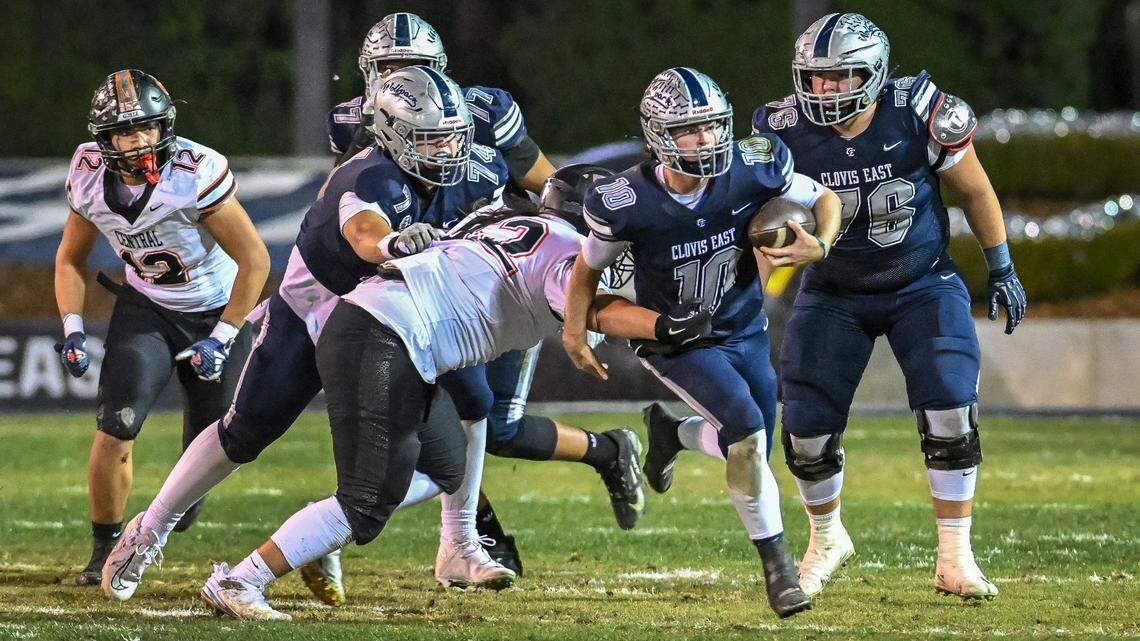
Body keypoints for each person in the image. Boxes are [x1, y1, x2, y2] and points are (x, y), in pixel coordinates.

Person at [99, 66, 518, 602]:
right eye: (430, 138)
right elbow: (366, 232)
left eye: (452, 137)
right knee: (243, 433)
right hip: (314, 315)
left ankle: (350, 532)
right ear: (392, 133)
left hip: (389, 330)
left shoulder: (479, 173)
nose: (446, 151)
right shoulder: (369, 176)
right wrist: (394, 246)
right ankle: (147, 531)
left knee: (448, 459)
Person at [197, 192, 711, 620]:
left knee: (449, 462)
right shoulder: (567, 250)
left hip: (386, 334)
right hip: (382, 339)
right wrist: (662, 326)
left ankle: (450, 551)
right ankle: (240, 580)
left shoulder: (510, 225)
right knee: (366, 502)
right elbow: (595, 310)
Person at [317, 12, 643, 592]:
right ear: (369, 75)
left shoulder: (482, 112)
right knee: (441, 424)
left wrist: (555, 262)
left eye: (415, 68)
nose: (404, 80)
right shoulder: (356, 127)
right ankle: (465, 538)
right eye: (390, 69)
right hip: (417, 288)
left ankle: (602, 455)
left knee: (496, 425)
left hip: (496, 282)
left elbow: (552, 188)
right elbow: (348, 212)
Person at [750, 13, 1027, 600]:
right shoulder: (780, 131)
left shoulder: (919, 110)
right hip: (833, 291)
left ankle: (955, 557)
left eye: (840, 77)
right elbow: (750, 214)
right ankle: (826, 540)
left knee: (951, 406)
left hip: (921, 282)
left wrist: (1000, 266)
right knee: (804, 427)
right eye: (814, 78)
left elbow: (975, 190)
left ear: (873, 74)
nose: (823, 91)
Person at [562, 67, 842, 618]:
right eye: (690, 129)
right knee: (746, 432)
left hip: (743, 328)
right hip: (679, 343)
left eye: (714, 125)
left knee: (756, 442)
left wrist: (821, 245)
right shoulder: (627, 199)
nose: (706, 139)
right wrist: (575, 332)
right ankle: (778, 567)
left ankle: (672, 434)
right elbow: (584, 272)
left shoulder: (753, 168)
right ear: (660, 134)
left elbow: (824, 199)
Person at [56, 69, 269, 587]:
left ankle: (176, 509)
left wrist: (222, 338)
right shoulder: (88, 173)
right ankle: (106, 548)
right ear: (103, 138)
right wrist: (73, 327)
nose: (141, 142)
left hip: (216, 312)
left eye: (149, 128)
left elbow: (256, 260)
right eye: (127, 132)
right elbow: (69, 260)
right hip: (147, 307)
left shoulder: (194, 172)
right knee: (115, 425)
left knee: (215, 445)